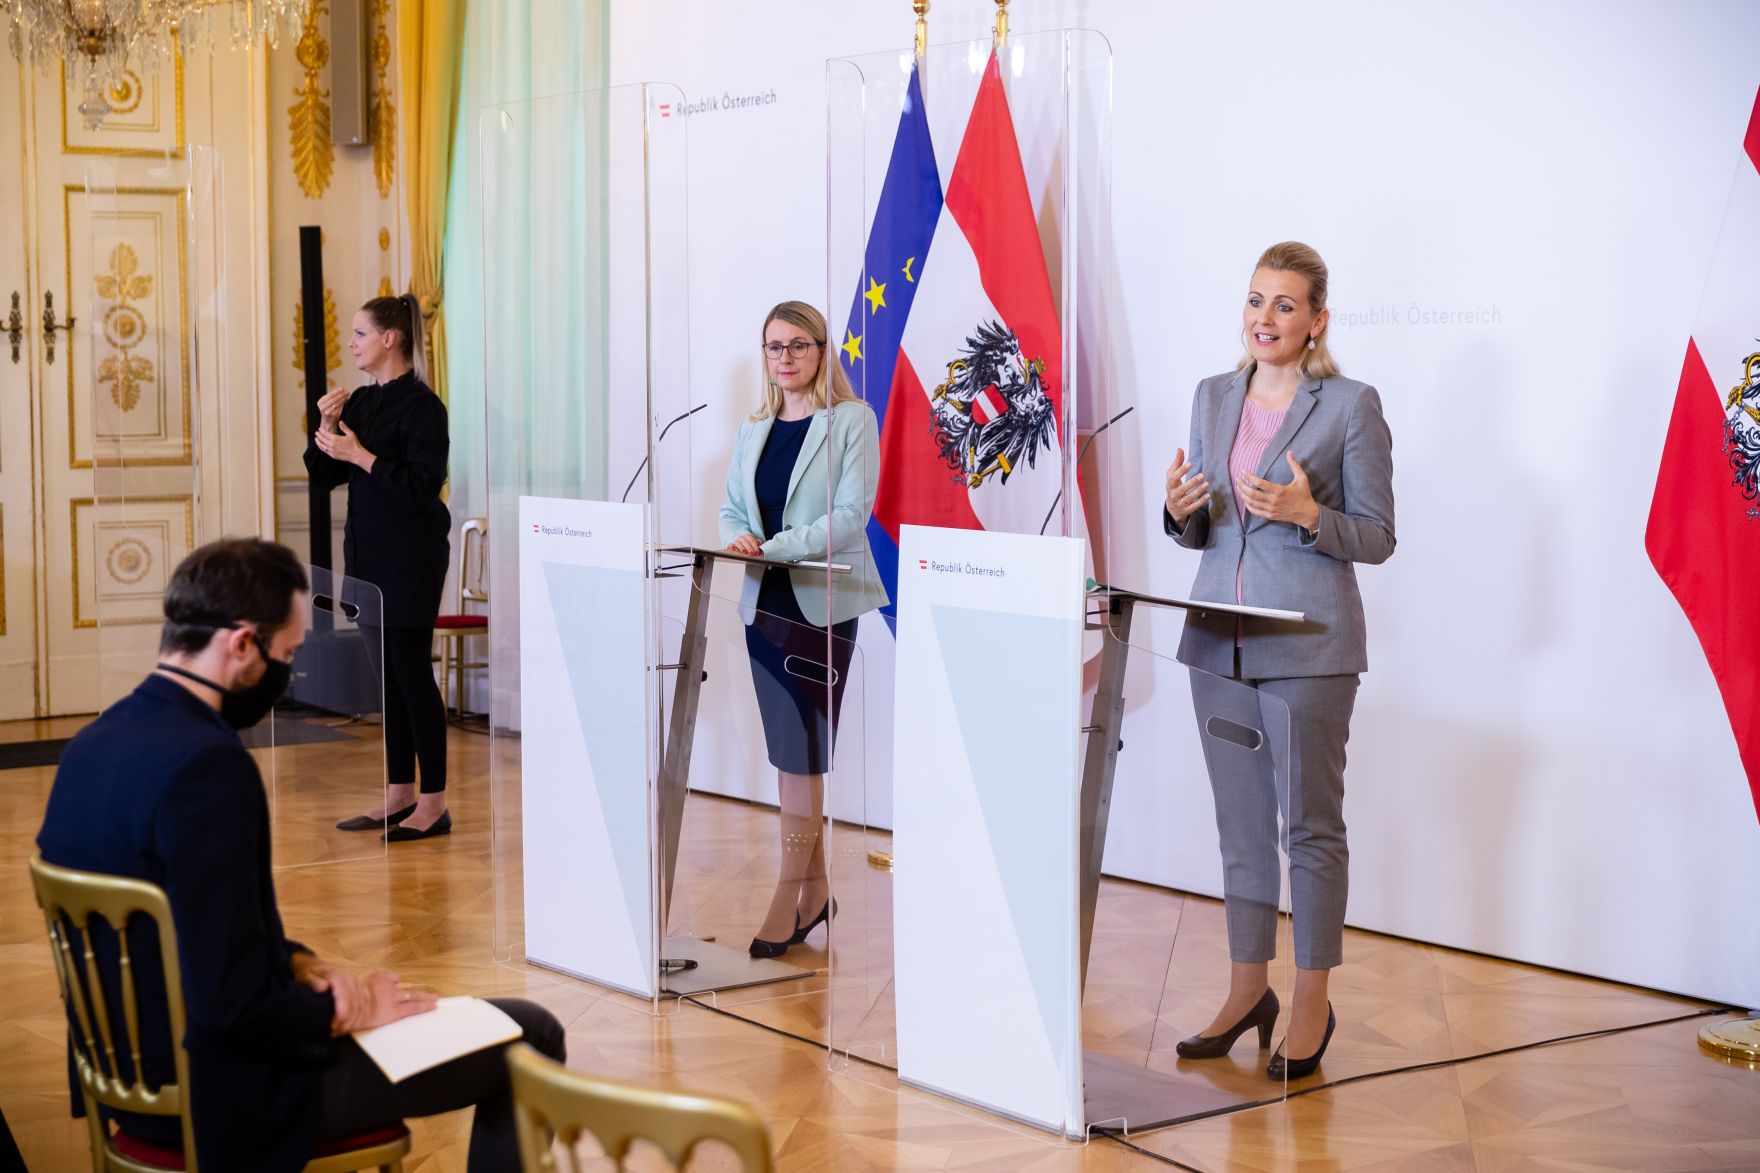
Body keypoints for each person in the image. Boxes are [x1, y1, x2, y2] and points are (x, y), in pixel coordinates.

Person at [36, 539, 566, 1173]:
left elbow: (192, 927)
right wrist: (346, 1009)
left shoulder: (91, 744)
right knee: (530, 1032)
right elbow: (231, 1007)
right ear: (242, 644)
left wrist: (301, 964)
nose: (286, 673)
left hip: (124, 1075)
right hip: (225, 1090)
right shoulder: (209, 767)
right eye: (285, 655)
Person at [1161, 242, 1395, 1080]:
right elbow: (1204, 527)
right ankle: (1245, 990)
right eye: (1256, 300)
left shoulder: (1352, 406)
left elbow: (1378, 536)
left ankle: (1309, 1003)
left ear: (1317, 320)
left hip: (1307, 644)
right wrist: (1177, 509)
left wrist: (1307, 514)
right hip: (1216, 640)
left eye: (1286, 304)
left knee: (1308, 828)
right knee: (1239, 823)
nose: (1266, 317)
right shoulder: (1212, 395)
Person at [718, 301, 888, 958]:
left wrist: (775, 546)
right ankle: (814, 895)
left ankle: (788, 895)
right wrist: (739, 538)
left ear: (821, 350)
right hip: (764, 603)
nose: (784, 357)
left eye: (797, 344)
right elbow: (734, 507)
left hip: (822, 605)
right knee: (789, 755)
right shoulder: (754, 426)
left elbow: (851, 515)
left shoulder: (852, 420)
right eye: (773, 346)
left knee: (803, 754)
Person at [307, 293, 454, 841]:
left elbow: (421, 488)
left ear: (389, 339)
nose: (351, 343)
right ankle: (398, 793)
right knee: (387, 681)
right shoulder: (363, 402)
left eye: (360, 333)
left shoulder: (424, 407)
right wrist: (327, 423)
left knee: (412, 676)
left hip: (411, 559)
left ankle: (433, 802)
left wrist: (362, 457)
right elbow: (324, 474)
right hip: (366, 559)